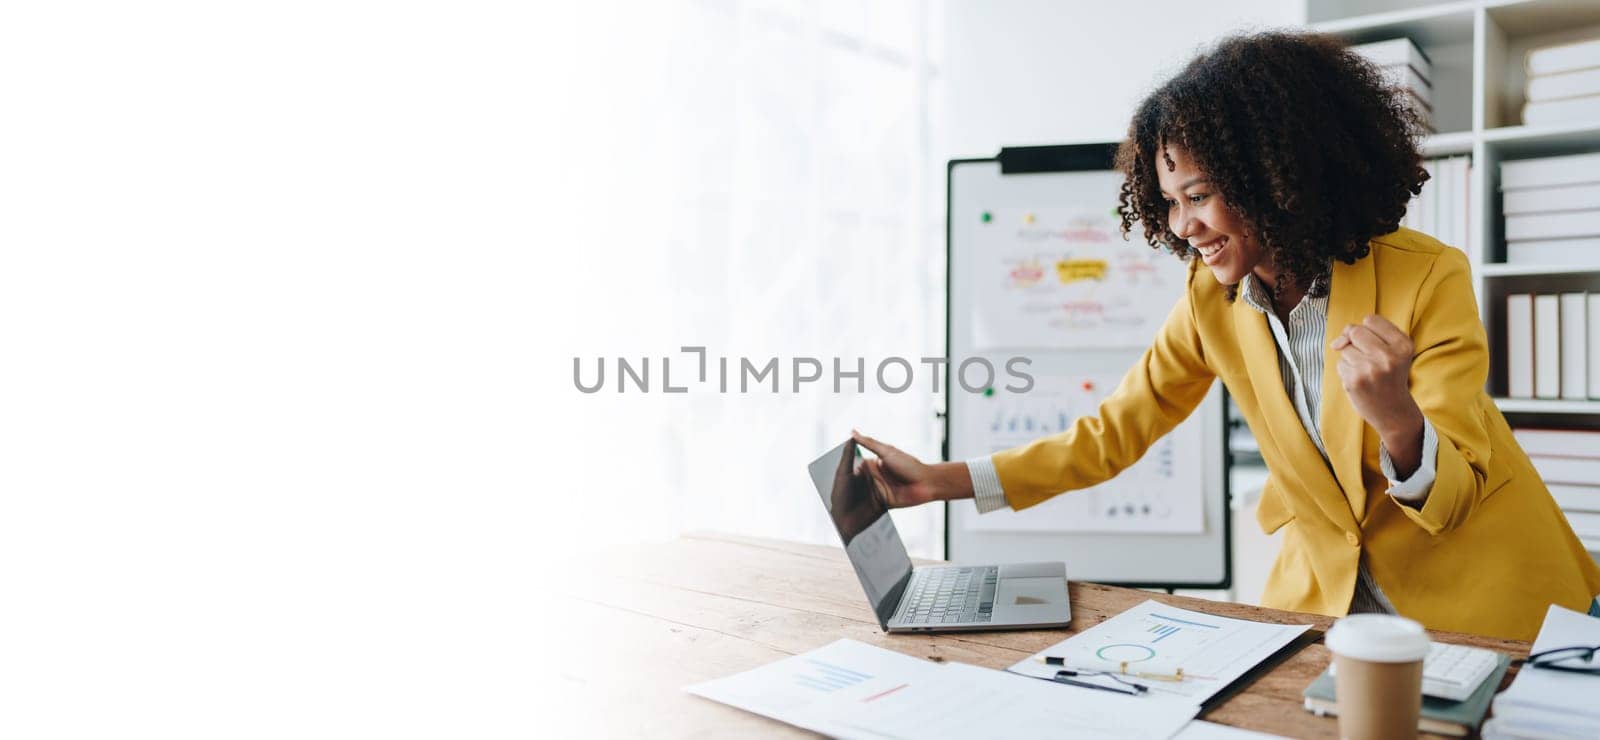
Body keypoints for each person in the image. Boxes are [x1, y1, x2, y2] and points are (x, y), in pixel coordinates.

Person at [852, 31, 1600, 642]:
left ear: (1278, 175)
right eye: (1170, 202)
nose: (1182, 228)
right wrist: (939, 481)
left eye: (1200, 196)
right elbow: (1112, 435)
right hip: (1327, 602)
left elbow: (1457, 494)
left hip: (1482, 596)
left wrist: (1398, 421)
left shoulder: (1428, 278)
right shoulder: (1212, 301)